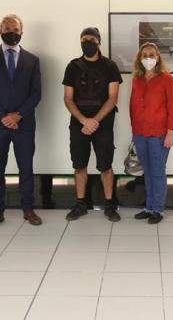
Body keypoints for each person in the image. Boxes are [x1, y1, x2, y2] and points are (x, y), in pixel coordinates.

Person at [0, 14, 42, 229]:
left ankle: (28, 209)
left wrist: (17, 116)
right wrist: (3, 117)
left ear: (21, 33)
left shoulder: (32, 60)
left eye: (15, 29)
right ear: (0, 31)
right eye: (7, 29)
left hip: (24, 125)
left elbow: (36, 94)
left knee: (26, 169)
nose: (11, 32)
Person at [63, 27, 123, 222]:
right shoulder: (72, 66)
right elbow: (68, 99)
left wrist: (95, 121)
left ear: (98, 42)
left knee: (106, 165)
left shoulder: (110, 66)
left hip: (103, 124)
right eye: (84, 39)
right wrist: (84, 121)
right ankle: (80, 204)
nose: (87, 42)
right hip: (79, 123)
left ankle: (110, 204)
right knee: (79, 165)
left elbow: (113, 98)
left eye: (91, 39)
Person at [129, 42, 173, 224]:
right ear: (139, 58)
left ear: (158, 57)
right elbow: (132, 107)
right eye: (144, 55)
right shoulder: (136, 80)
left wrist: (170, 133)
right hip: (140, 133)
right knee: (147, 172)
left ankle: (158, 209)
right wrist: (134, 132)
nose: (148, 58)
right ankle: (148, 207)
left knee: (158, 172)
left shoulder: (167, 80)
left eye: (152, 54)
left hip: (159, 134)